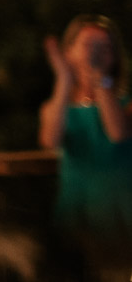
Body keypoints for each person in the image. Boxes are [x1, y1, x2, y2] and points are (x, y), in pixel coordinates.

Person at [39, 14, 132, 252]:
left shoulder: (126, 103)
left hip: (120, 208)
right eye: (89, 45)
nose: (96, 53)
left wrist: (100, 78)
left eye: (105, 47)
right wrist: (63, 81)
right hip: (75, 207)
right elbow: (50, 140)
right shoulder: (56, 106)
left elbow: (118, 133)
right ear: (68, 52)